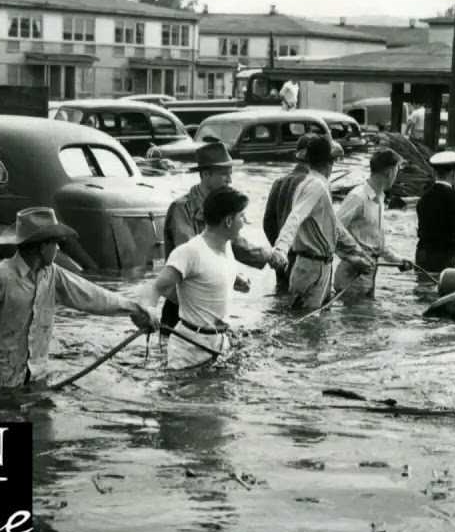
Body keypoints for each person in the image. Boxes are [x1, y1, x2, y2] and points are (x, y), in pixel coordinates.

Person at [0, 207, 157, 391]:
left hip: (36, 381)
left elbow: (92, 296)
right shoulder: (1, 277)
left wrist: (135, 309)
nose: (59, 248)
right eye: (56, 243)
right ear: (42, 247)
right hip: (0, 387)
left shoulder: (52, 275)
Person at [161, 142, 286, 329]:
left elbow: (234, 242)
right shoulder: (181, 209)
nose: (229, 180)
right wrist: (231, 276)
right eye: (223, 174)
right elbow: (192, 257)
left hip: (208, 302)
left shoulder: (221, 208)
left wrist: (268, 255)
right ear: (205, 175)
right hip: (181, 304)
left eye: (230, 174)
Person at [141, 186, 252, 370]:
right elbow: (155, 287)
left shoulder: (226, 247)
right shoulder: (190, 252)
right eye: (242, 216)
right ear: (228, 221)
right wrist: (148, 310)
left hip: (220, 344)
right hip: (189, 350)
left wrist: (234, 280)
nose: (245, 221)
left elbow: (208, 274)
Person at [269, 136, 373, 308]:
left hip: (318, 267)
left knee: (316, 320)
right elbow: (295, 217)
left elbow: (335, 229)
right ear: (330, 163)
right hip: (311, 267)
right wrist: (281, 248)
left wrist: (357, 255)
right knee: (306, 321)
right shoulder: (316, 186)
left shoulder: (313, 184)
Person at [334, 149, 414, 298]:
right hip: (351, 277)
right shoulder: (358, 197)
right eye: (397, 170)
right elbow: (333, 230)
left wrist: (398, 260)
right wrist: (353, 259)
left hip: (368, 276)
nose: (396, 176)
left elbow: (376, 244)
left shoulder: (379, 198)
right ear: (389, 172)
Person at [263, 134, 329, 292]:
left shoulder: (279, 182)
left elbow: (268, 222)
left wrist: (279, 249)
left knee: (283, 297)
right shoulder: (315, 184)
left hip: (283, 257)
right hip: (307, 259)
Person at [415, 151, 455, 273]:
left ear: (435, 172)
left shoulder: (424, 198)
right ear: (454, 173)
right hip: (444, 256)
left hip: (422, 253)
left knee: (423, 282)